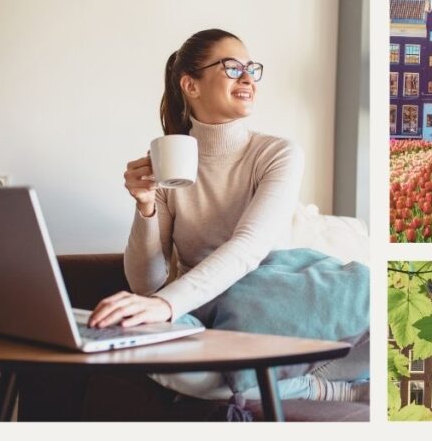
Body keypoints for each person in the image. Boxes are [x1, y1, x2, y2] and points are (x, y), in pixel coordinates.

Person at [89, 29, 365, 401]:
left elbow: (250, 247)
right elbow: (145, 284)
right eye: (233, 68)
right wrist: (145, 206)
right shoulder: (171, 161)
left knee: (376, 295)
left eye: (251, 68)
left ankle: (314, 387)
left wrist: (165, 304)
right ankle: (305, 388)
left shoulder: (277, 153)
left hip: (279, 300)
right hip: (207, 310)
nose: (248, 78)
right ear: (191, 85)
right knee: (126, 335)